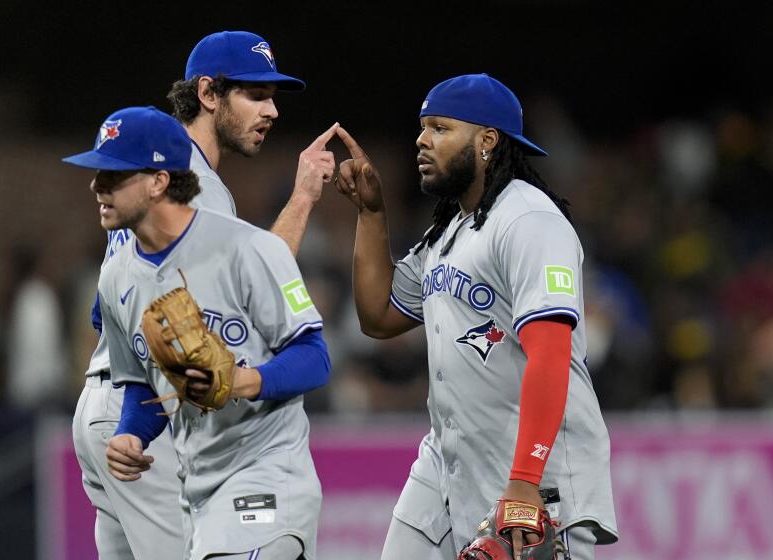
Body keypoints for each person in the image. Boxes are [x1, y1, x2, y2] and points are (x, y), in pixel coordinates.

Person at [69, 30, 336, 560]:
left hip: (114, 406)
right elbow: (249, 283)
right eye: (256, 95)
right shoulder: (191, 186)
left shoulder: (152, 175)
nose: (272, 111)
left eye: (273, 97)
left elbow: (108, 312)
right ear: (209, 94)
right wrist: (303, 198)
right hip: (147, 404)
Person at [334, 74, 618, 559]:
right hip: (448, 466)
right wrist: (372, 214)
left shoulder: (531, 220)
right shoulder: (450, 230)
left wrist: (526, 482)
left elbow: (551, 355)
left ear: (487, 140)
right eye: (423, 127)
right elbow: (379, 316)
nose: (422, 140)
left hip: (533, 476)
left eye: (441, 128)